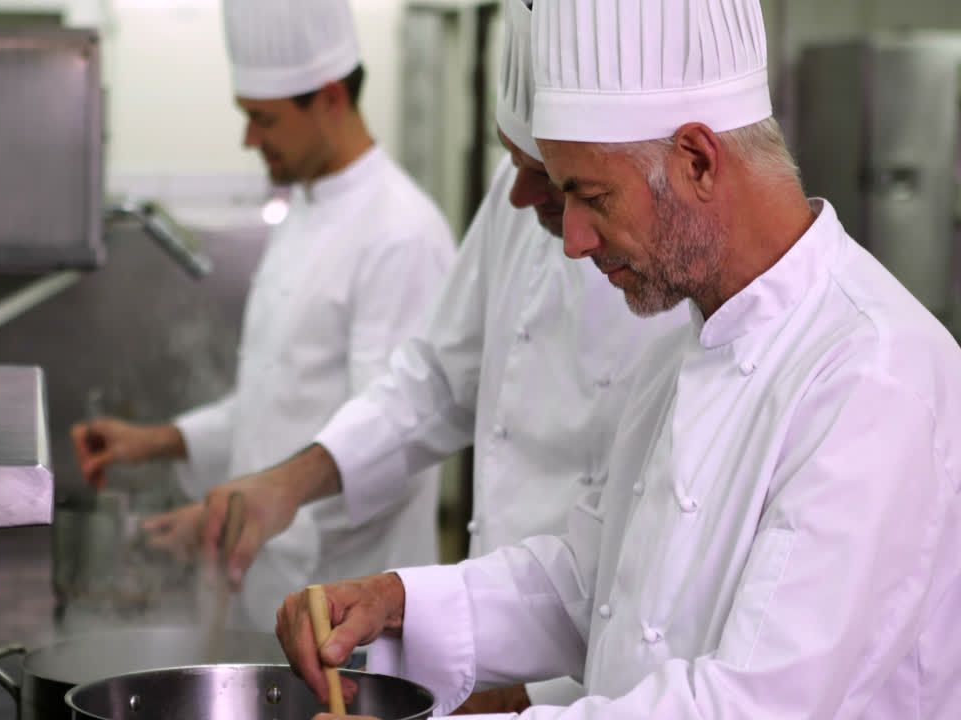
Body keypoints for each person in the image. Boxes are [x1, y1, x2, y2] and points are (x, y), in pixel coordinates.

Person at [276, 0, 961, 717]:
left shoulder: (873, 379)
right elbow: (589, 584)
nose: (572, 240)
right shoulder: (680, 350)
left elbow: (755, 706)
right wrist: (397, 604)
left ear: (697, 158)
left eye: (589, 196)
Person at [191, 0, 685, 711]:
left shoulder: (671, 275)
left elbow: (642, 570)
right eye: (514, 162)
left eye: (555, 178)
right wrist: (290, 483)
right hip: (488, 621)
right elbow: (436, 382)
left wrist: (520, 690)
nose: (518, 196)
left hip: (586, 681)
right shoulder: (517, 200)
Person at [70, 0, 456, 631]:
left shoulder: (401, 234)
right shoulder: (303, 210)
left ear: (329, 97)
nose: (250, 139)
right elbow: (276, 403)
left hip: (343, 608)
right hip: (269, 589)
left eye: (263, 119)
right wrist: (156, 441)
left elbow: (393, 447)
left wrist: (231, 517)